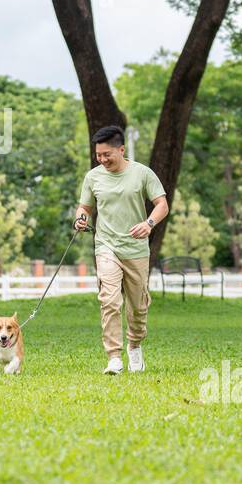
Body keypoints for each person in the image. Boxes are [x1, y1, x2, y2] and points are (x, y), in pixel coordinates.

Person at [74, 126, 168, 375]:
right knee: (109, 300)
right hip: (106, 246)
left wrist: (149, 224)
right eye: (98, 155)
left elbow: (162, 205)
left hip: (136, 250)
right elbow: (84, 207)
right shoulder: (93, 177)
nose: (102, 159)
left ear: (121, 150)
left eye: (107, 154)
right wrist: (80, 219)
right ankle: (114, 357)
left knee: (138, 307)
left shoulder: (142, 174)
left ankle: (134, 345)